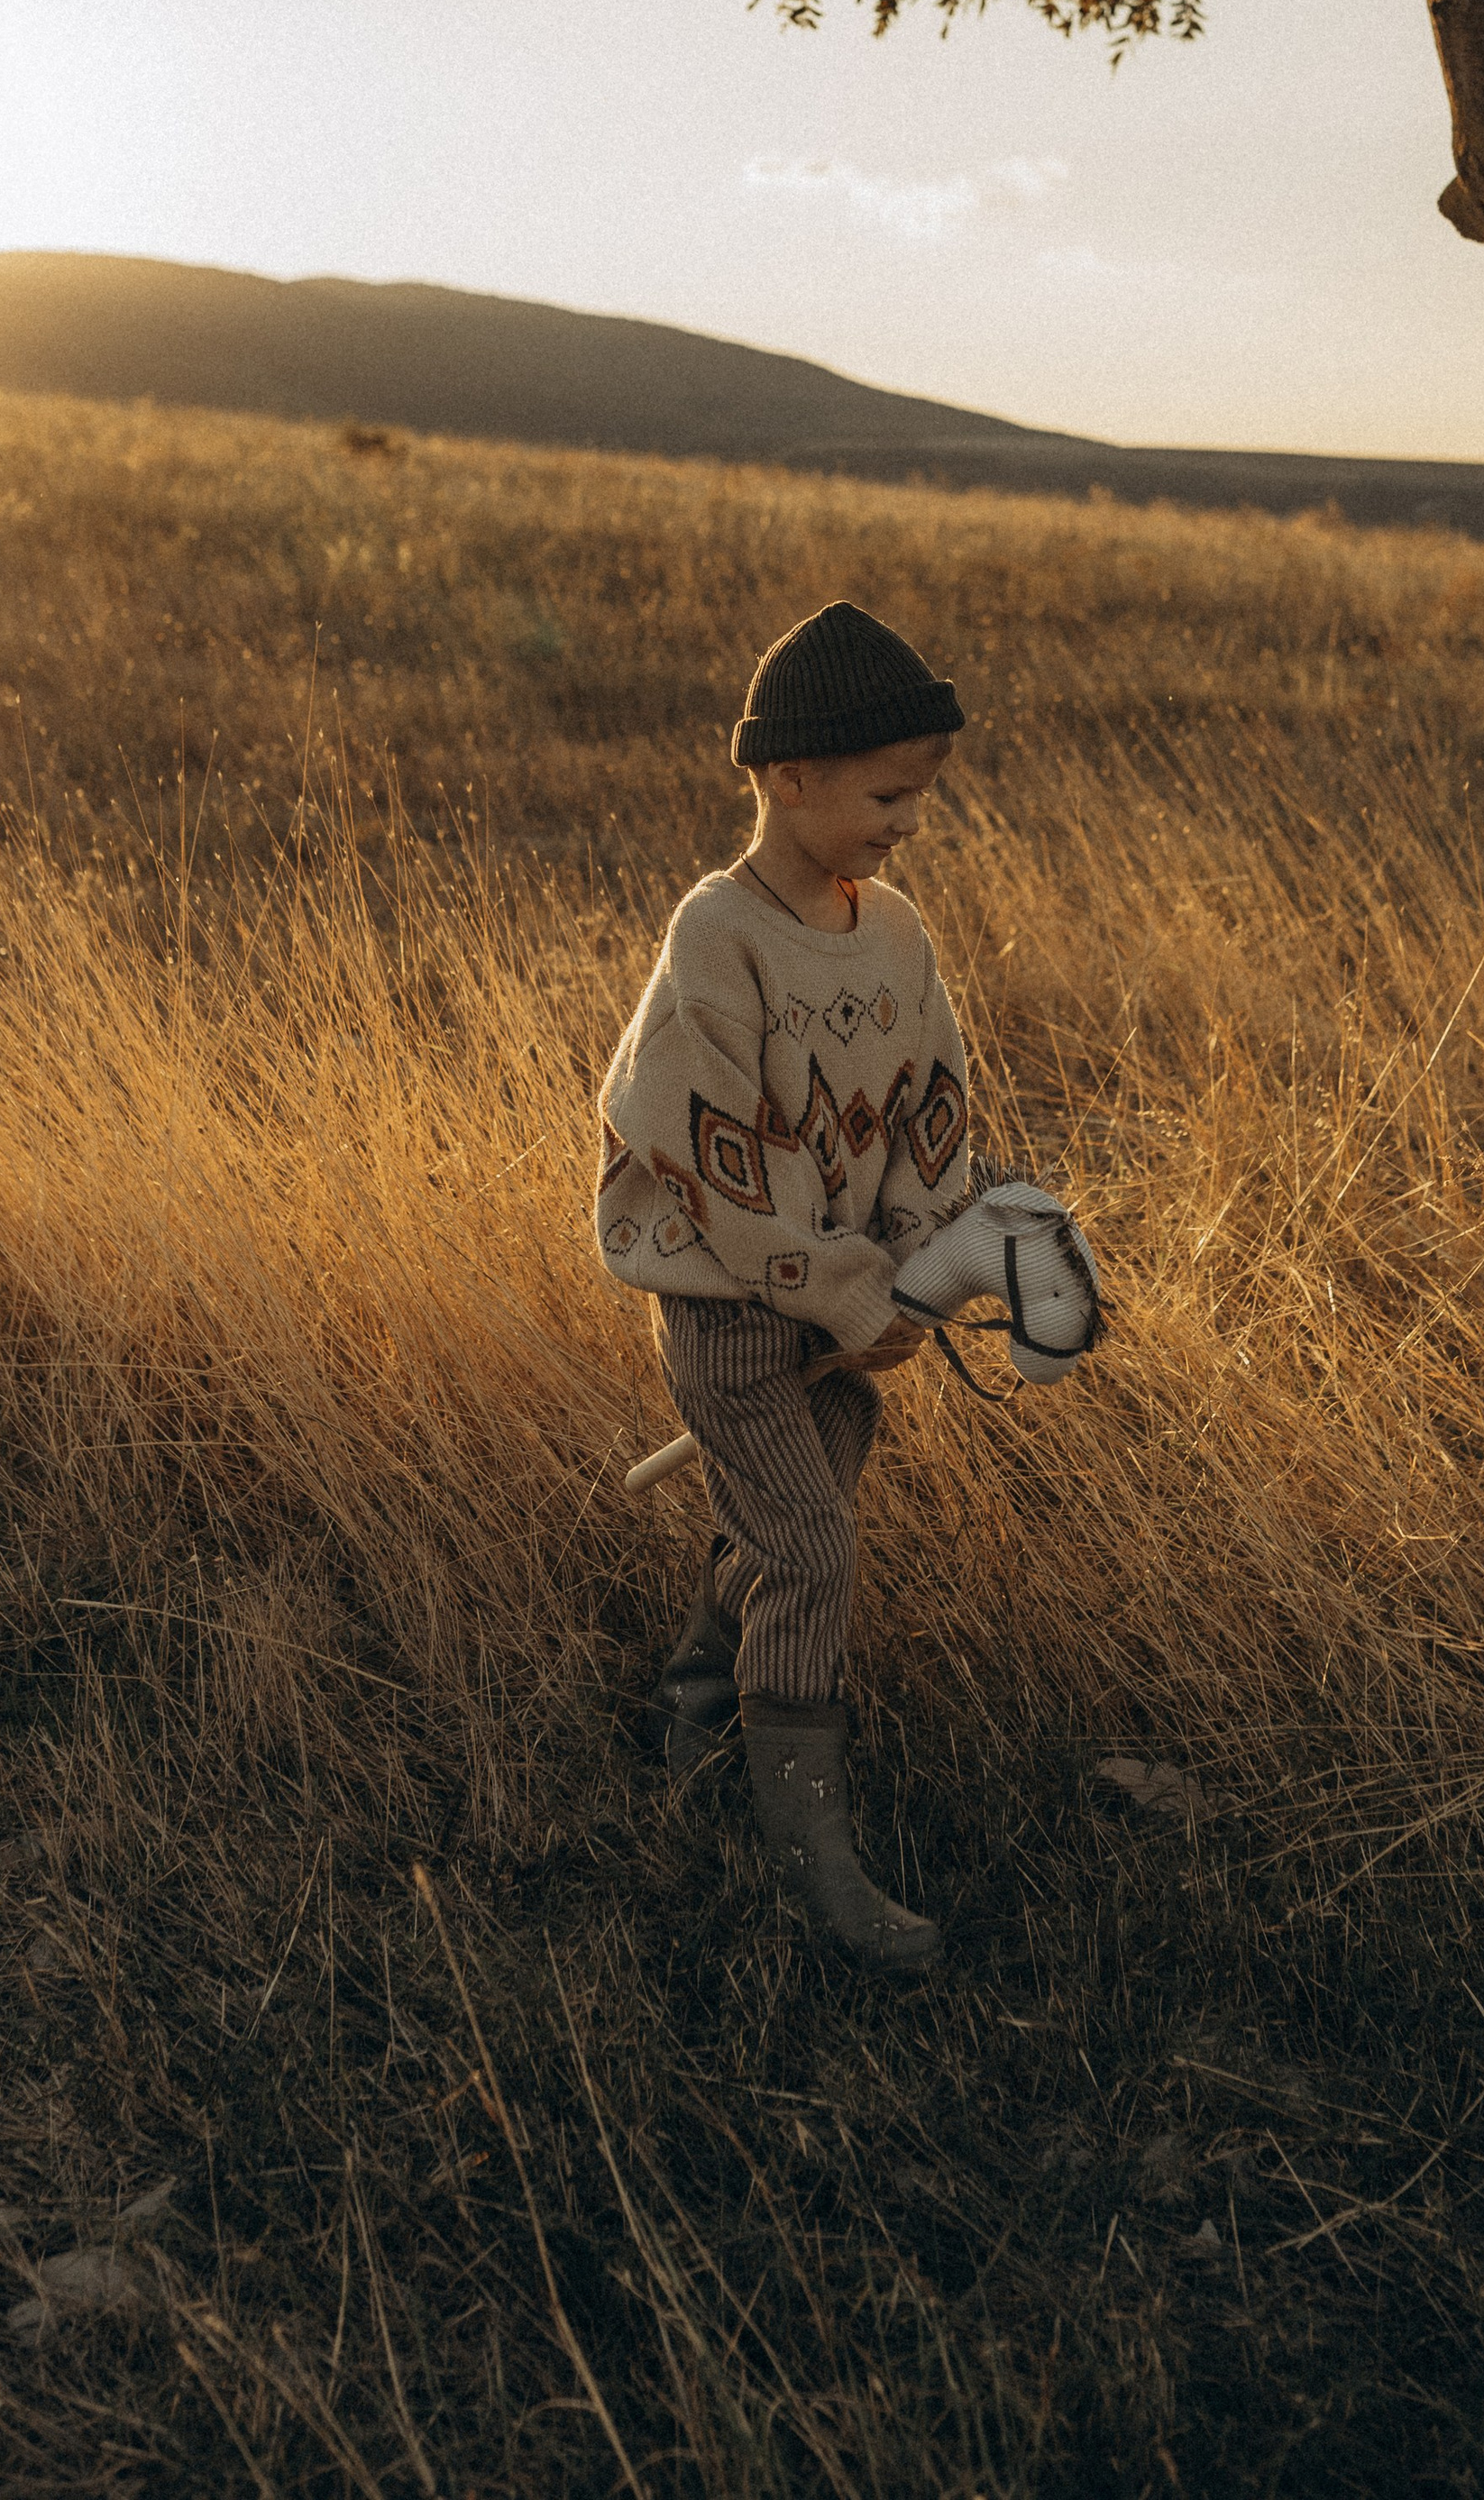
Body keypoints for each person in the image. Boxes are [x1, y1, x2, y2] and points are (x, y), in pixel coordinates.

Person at [594, 601, 973, 1970]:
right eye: (886, 796)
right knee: (810, 1549)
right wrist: (847, 1291)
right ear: (788, 778)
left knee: (781, 1522)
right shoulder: (720, 936)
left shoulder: (896, 932)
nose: (909, 823)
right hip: (733, 1302)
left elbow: (934, 1102)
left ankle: (696, 1730)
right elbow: (717, 1158)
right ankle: (811, 1855)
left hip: (846, 1304)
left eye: (921, 795)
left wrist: (921, 1261)